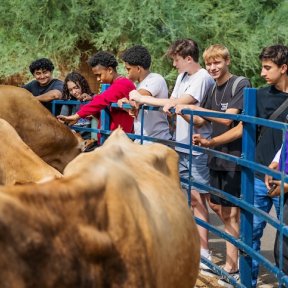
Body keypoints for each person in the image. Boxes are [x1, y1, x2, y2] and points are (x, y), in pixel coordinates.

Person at [192, 44, 288, 287]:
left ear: (284, 68)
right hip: (258, 173)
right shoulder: (259, 95)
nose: (263, 72)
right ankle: (248, 281)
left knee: (283, 243)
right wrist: (211, 141)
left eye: (268, 68)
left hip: (284, 176)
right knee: (250, 234)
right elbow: (242, 127)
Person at [129, 39, 214, 270]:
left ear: (188, 58)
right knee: (187, 197)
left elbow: (180, 102)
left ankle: (204, 251)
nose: (174, 64)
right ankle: (193, 244)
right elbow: (170, 102)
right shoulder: (183, 77)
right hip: (181, 143)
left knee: (198, 199)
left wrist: (142, 98)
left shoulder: (202, 77)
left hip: (195, 145)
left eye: (176, 60)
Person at [175, 44, 251, 287]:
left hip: (233, 156)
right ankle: (234, 261)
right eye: (209, 64)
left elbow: (228, 119)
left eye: (217, 62)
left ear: (227, 61)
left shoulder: (240, 84)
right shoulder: (212, 89)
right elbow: (199, 120)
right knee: (218, 208)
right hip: (214, 155)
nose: (213, 67)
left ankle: (234, 266)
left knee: (232, 212)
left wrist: (198, 109)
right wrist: (183, 111)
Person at [57, 51, 135, 137]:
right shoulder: (113, 85)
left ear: (109, 70)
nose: (98, 79)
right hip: (114, 136)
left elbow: (103, 99)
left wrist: (76, 116)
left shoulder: (122, 84)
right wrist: (92, 98)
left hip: (120, 137)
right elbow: (107, 98)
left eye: (99, 75)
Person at [117, 45, 171, 143]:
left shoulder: (155, 79)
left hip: (156, 140)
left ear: (138, 68)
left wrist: (125, 101)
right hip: (143, 139)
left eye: (128, 69)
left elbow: (138, 97)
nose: (126, 73)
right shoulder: (139, 84)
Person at [61, 71, 94, 139]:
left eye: (76, 87)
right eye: (70, 90)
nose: (74, 92)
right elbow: (61, 124)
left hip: (91, 140)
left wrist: (91, 99)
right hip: (73, 140)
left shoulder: (94, 98)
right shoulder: (68, 104)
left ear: (83, 84)